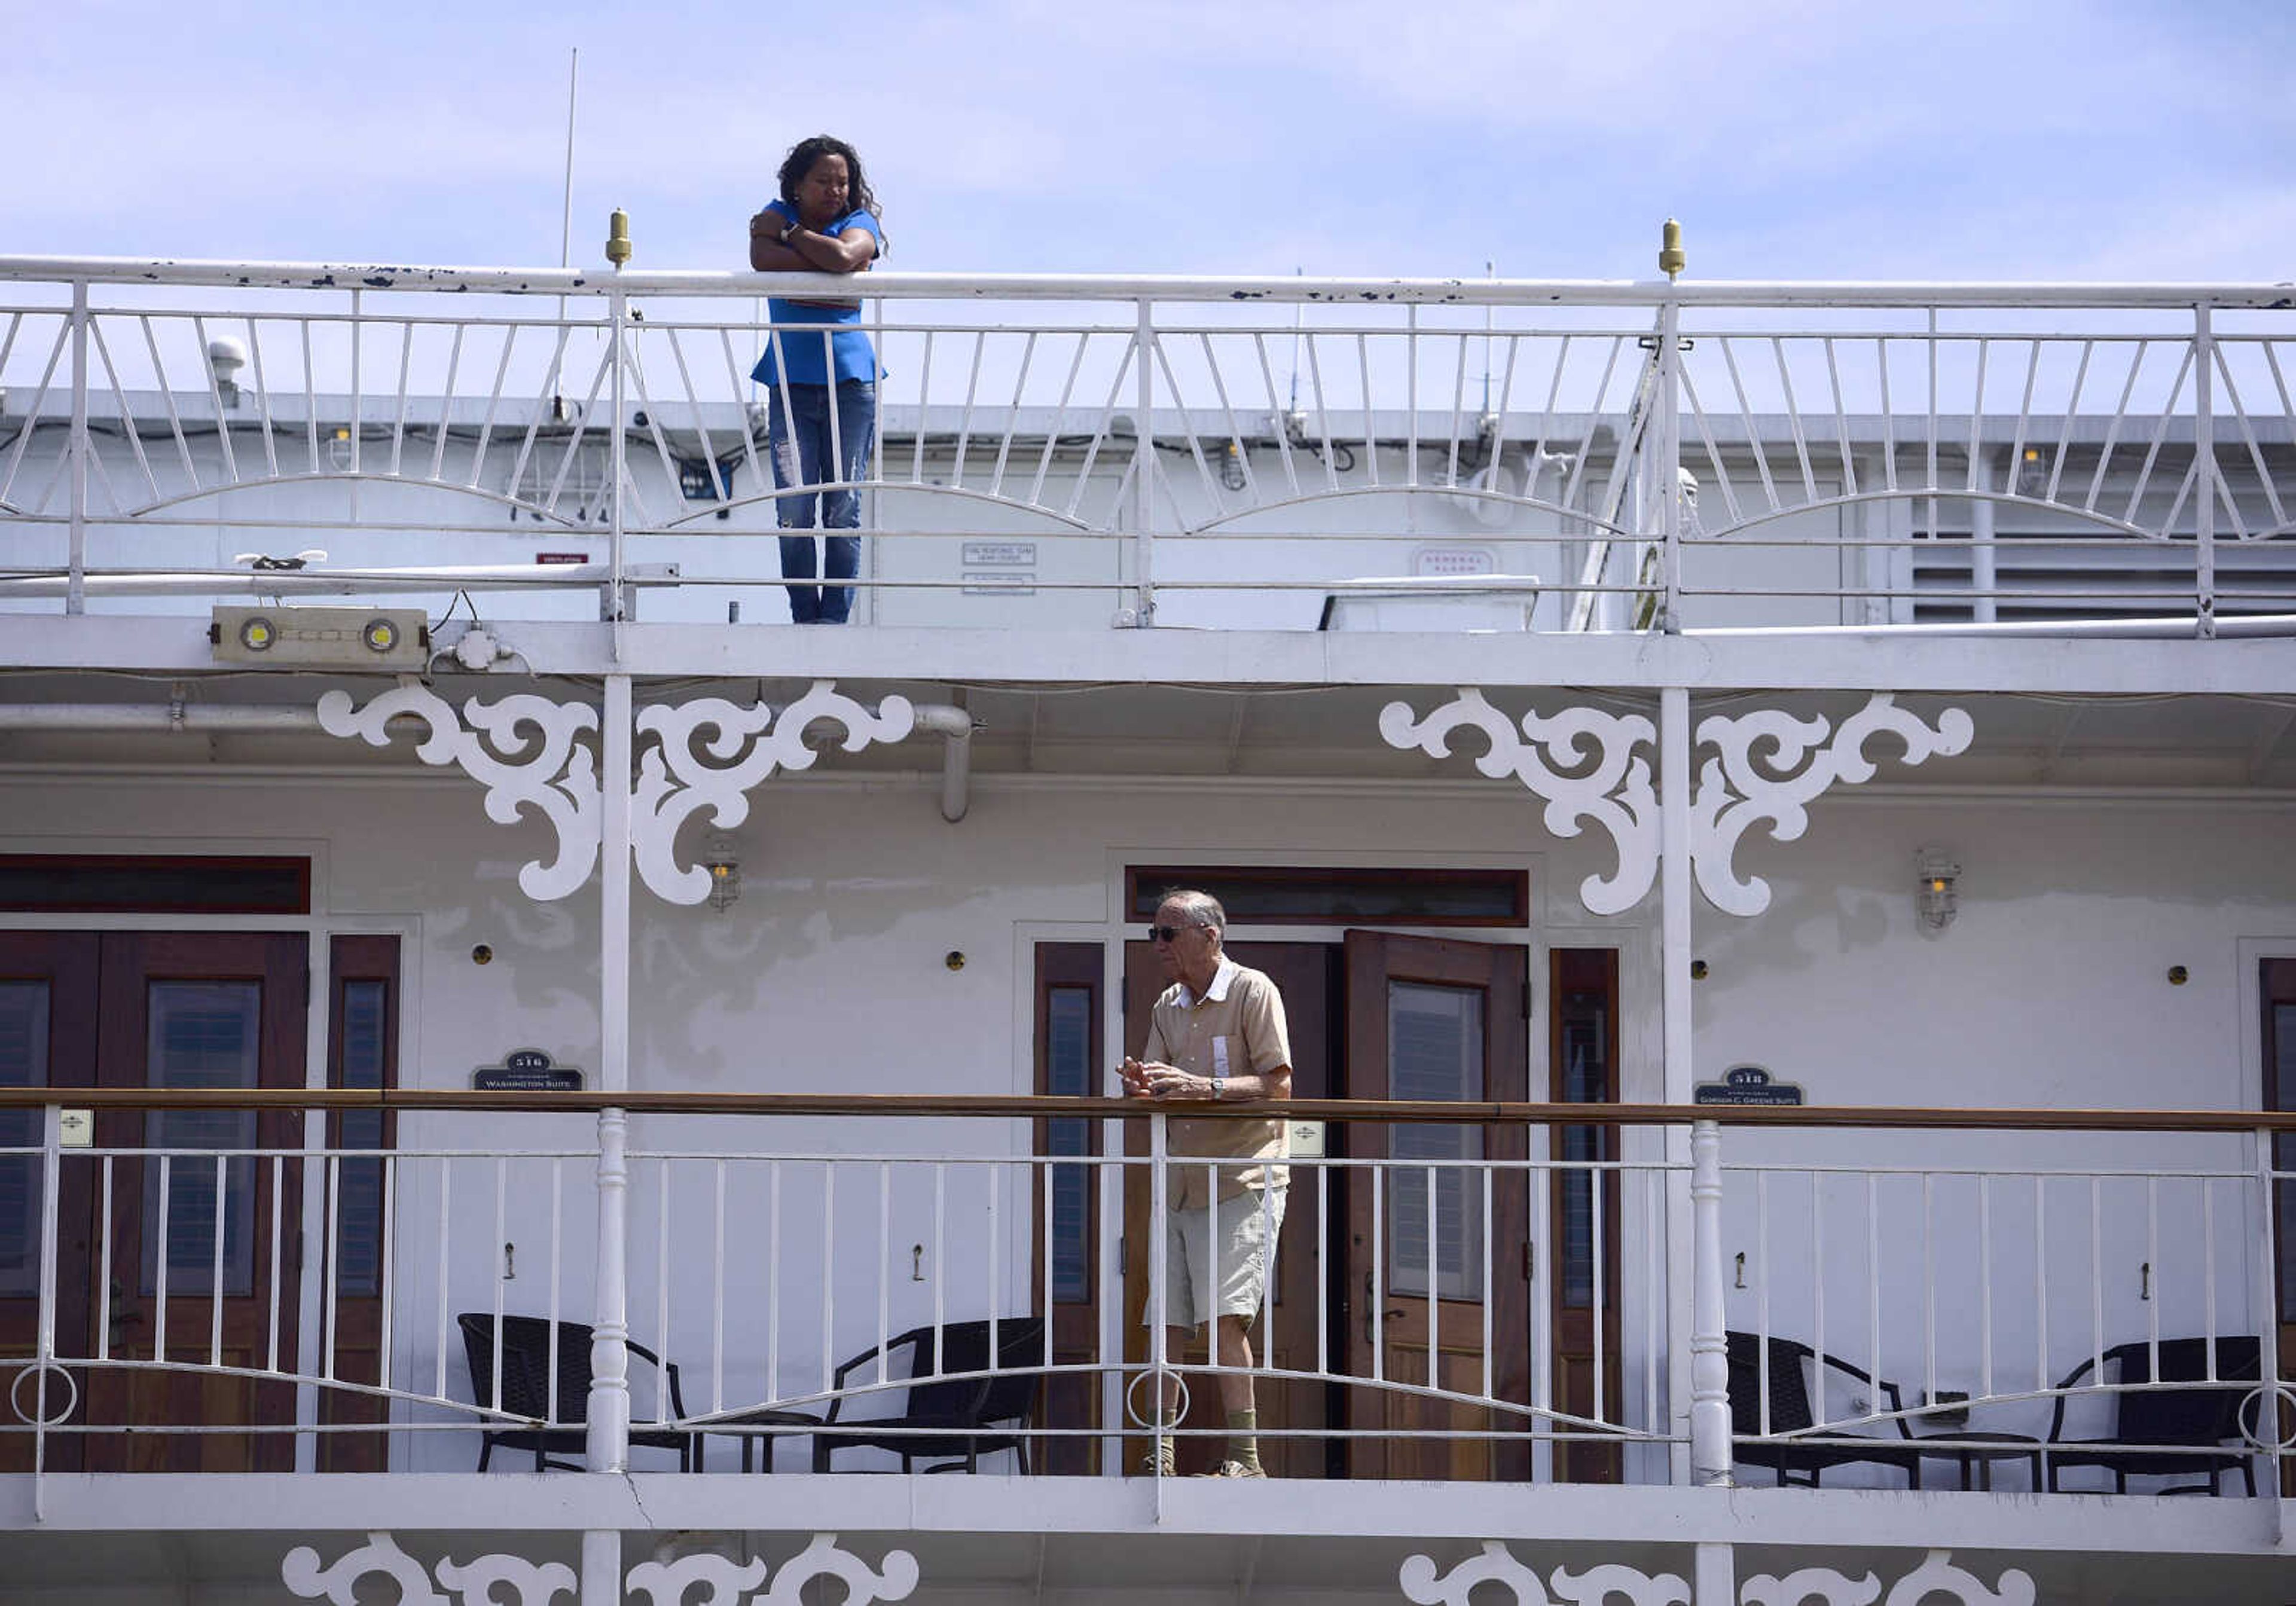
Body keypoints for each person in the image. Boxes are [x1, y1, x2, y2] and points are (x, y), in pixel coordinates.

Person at [1119, 889, 1292, 1478]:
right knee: (1164, 1320)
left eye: (1168, 934)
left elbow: (1279, 1087)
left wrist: (1203, 1088)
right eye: (1154, 935)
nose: (1158, 946)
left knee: (1225, 1319)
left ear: (1209, 935)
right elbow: (1157, 1085)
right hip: (1181, 1183)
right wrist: (1142, 1084)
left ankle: (1245, 1460)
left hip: (1243, 1179)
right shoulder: (1166, 1005)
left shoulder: (1253, 990)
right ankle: (1158, 1455)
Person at [747, 136, 885, 624]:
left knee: (843, 507)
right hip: (790, 382)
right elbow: (766, 264)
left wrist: (790, 237)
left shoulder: (857, 222)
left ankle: (834, 619)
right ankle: (804, 615)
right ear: (797, 186)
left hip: (850, 384)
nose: (836, 191)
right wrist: (826, 272)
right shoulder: (773, 213)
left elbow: (848, 261)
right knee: (795, 511)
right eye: (824, 181)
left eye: (843, 182)